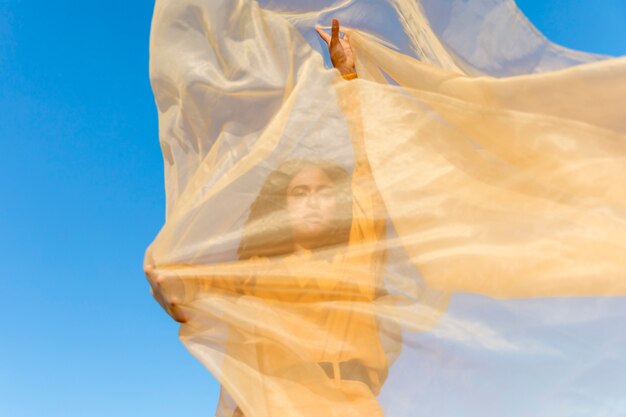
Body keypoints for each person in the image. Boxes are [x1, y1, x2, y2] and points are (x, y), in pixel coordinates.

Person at [145, 19, 394, 417]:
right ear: (281, 206)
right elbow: (187, 281)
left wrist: (348, 77)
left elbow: (369, 169)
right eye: (299, 192)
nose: (312, 201)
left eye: (322, 191)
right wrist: (163, 279)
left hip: (348, 404)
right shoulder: (256, 273)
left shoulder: (358, 257)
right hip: (266, 406)